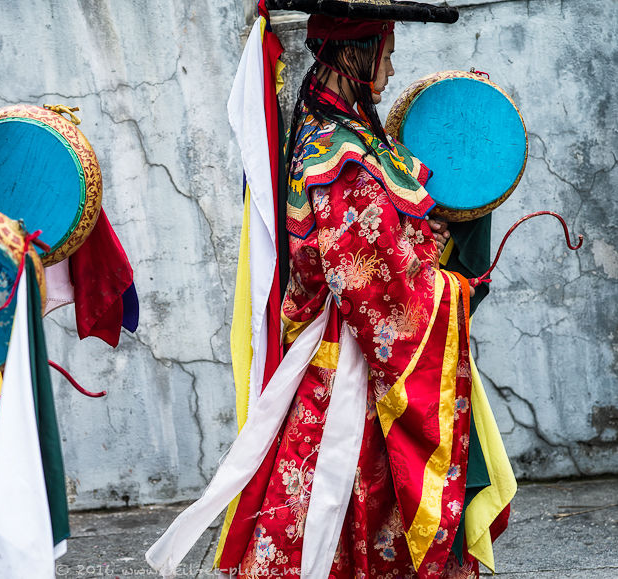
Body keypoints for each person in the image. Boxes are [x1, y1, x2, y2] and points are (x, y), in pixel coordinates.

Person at [147, 2, 515, 578]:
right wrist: (455, 290)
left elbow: (381, 233)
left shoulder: (340, 134)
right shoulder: (340, 157)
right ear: (355, 53)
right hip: (356, 373)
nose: (390, 73)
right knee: (345, 513)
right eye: (386, 57)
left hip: (346, 356)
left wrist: (421, 229)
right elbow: (376, 289)